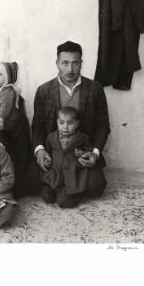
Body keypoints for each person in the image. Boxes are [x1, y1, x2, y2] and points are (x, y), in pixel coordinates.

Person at [32, 40, 110, 197]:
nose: (70, 69)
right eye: (65, 63)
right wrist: (40, 151)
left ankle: (67, 185)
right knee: (28, 183)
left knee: (96, 187)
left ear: (81, 63)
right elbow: (37, 126)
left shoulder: (95, 89)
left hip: (81, 155)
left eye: (75, 63)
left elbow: (103, 126)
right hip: (54, 155)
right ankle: (65, 184)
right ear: (57, 63)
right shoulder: (44, 91)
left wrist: (94, 154)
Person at [0, 62, 33, 198]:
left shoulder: (7, 91)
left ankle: (16, 186)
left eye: (0, 74)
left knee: (12, 154)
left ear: (8, 77)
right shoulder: (3, 89)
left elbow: (5, 107)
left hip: (10, 126)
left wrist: (1, 119)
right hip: (9, 126)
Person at [40, 106, 93, 208]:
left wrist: (82, 153)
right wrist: (47, 161)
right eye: (61, 123)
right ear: (57, 122)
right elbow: (48, 152)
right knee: (47, 197)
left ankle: (77, 193)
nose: (65, 127)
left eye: (70, 123)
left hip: (72, 174)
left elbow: (89, 152)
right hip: (55, 173)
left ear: (77, 124)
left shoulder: (82, 137)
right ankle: (57, 190)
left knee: (63, 202)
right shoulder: (51, 137)